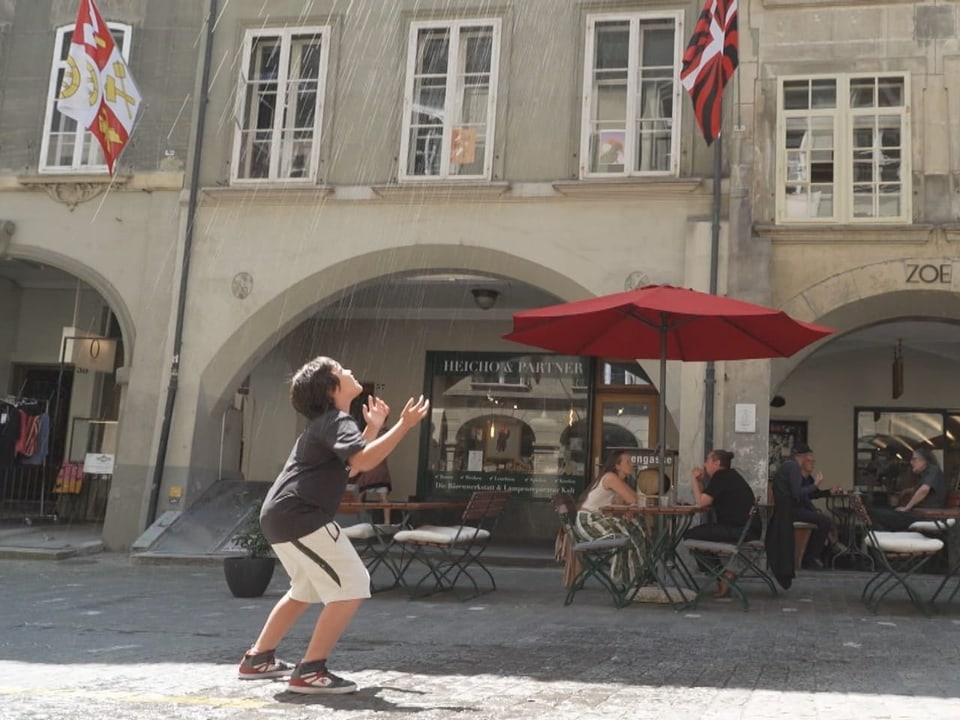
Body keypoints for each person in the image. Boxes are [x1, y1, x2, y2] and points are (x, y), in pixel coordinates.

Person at [237, 356, 429, 694]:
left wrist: (373, 428)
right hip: (301, 515)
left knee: (305, 590)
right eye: (342, 370)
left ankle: (258, 658)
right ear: (331, 388)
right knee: (353, 582)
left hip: (282, 516)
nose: (351, 371)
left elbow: (351, 468)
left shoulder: (328, 423)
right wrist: (405, 425)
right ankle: (310, 671)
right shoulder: (337, 420)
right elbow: (365, 460)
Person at [684, 449, 757, 597]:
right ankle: (722, 575)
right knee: (699, 534)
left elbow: (702, 503)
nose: (704, 464)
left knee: (691, 536)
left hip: (739, 530)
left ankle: (722, 575)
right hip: (745, 529)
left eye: (707, 460)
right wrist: (699, 482)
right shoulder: (729, 476)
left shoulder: (721, 476)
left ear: (717, 463)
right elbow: (707, 497)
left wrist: (693, 479)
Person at [575, 449, 646, 587]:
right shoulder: (611, 478)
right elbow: (634, 498)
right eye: (628, 462)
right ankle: (626, 576)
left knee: (635, 526)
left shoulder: (615, 480)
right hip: (589, 522)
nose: (632, 465)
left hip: (595, 521)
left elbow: (622, 504)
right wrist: (631, 504)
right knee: (629, 532)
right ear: (617, 466)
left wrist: (629, 508)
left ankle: (634, 575)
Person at [772, 442, 842, 569]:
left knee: (823, 520)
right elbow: (797, 493)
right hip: (789, 510)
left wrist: (827, 491)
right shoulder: (793, 467)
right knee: (824, 521)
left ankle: (815, 554)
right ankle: (810, 558)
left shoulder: (791, 467)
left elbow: (810, 494)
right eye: (809, 458)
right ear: (803, 456)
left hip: (791, 508)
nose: (812, 462)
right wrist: (815, 484)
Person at [869, 447, 947, 531]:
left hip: (925, 517)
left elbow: (924, 489)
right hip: (917, 513)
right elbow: (919, 488)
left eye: (914, 459)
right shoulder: (925, 474)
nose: (911, 462)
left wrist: (907, 507)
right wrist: (907, 491)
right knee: (879, 511)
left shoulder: (933, 470)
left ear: (924, 461)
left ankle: (884, 541)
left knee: (876, 513)